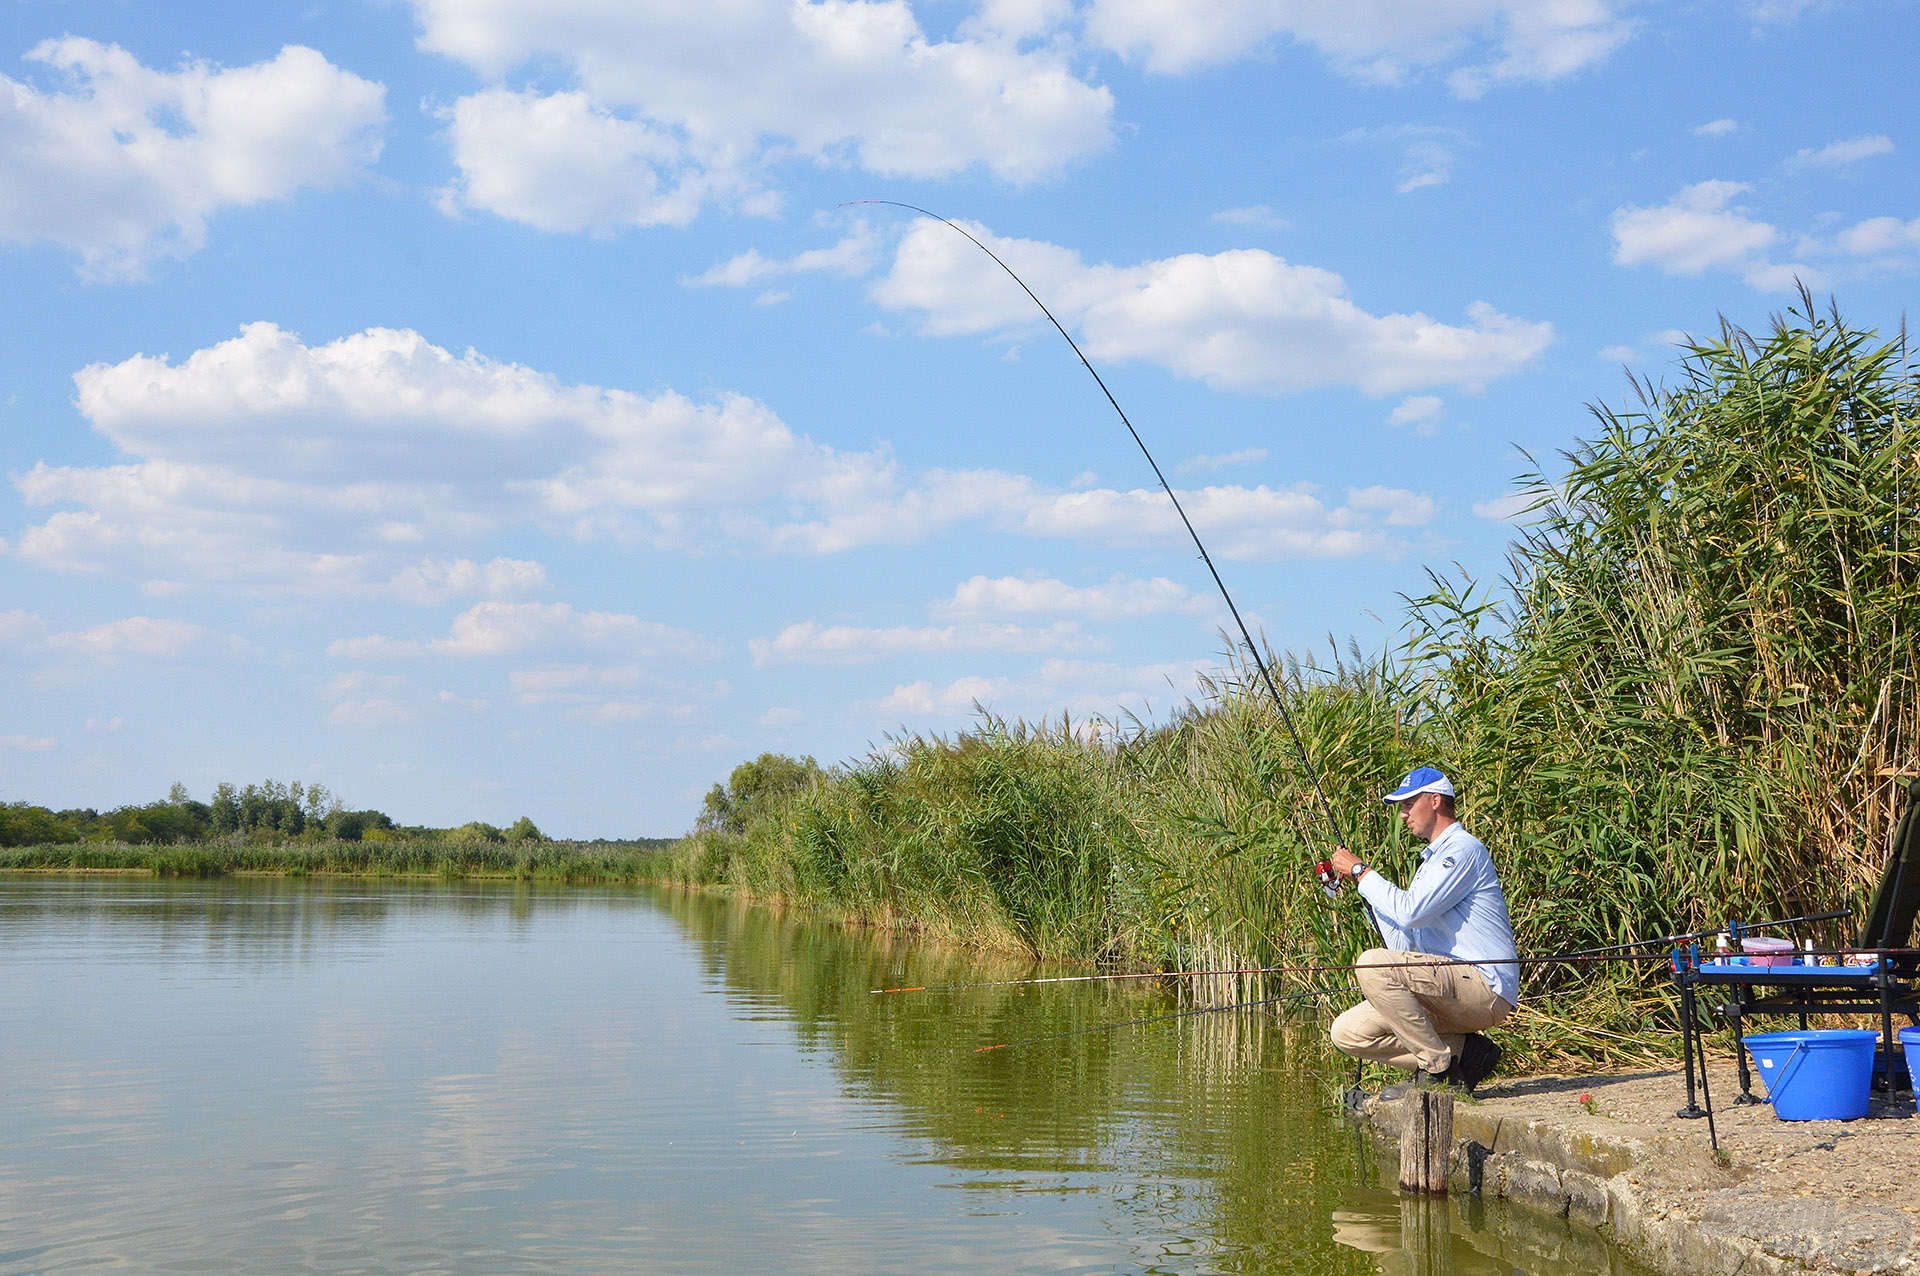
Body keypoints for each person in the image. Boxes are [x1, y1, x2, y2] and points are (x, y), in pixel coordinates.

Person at [1326, 766, 1517, 1094]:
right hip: (1444, 988)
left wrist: (1361, 871)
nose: (1403, 815)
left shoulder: (1462, 850)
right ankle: (1466, 1054)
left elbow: (1411, 911)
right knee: (1347, 1032)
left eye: (1408, 804)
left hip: (1485, 988)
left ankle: (1437, 1069)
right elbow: (1406, 936)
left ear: (1435, 800)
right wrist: (1366, 895)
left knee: (1371, 963)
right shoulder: (1430, 863)